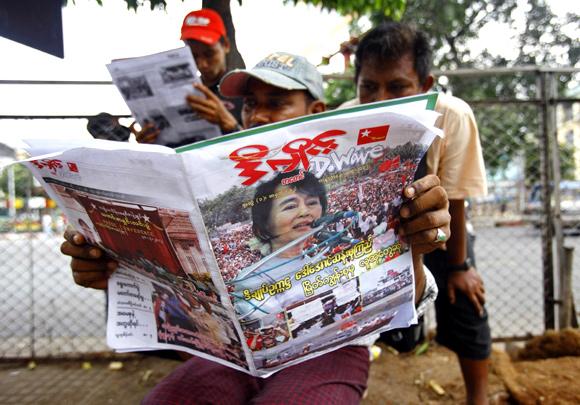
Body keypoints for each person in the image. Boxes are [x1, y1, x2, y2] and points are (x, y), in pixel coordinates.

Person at [61, 52, 451, 404]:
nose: (258, 116)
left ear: (315, 110)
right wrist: (108, 265)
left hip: (333, 348)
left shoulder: (354, 195)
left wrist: (415, 246)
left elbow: (405, 299)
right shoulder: (228, 192)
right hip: (234, 355)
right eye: (251, 104)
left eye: (277, 103)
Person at [344, 21, 490, 404]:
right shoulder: (344, 120)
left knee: (465, 309)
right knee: (388, 326)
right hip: (374, 232)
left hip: (440, 226)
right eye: (369, 87)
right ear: (356, 83)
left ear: (424, 85)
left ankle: (478, 397)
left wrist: (459, 268)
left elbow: (455, 199)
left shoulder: (452, 115)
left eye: (396, 87)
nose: (379, 100)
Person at [135, 8, 243, 147]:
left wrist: (231, 126)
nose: (202, 64)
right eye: (193, 56)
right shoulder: (185, 91)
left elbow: (261, 148)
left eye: (209, 54)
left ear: (226, 46)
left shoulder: (244, 90)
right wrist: (150, 140)